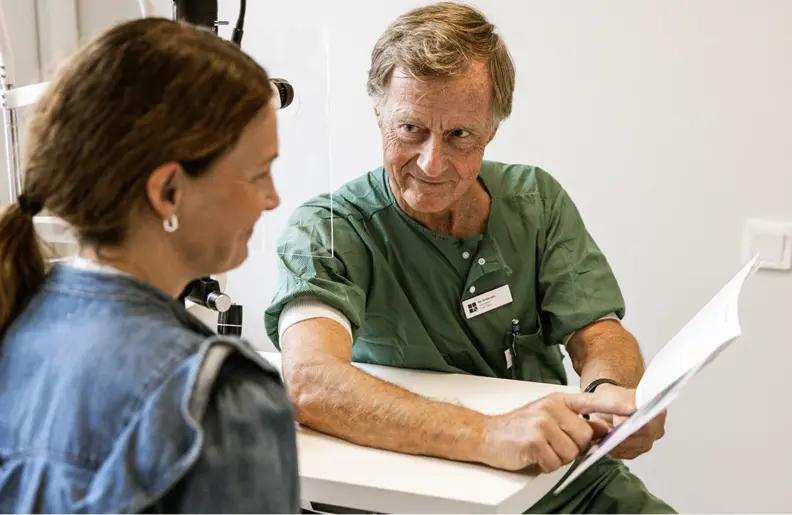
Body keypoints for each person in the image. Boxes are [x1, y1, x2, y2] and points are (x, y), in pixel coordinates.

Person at [265, 2, 672, 513]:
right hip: (411, 490)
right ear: (378, 115)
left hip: (550, 480)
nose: (432, 163)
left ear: (491, 131)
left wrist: (609, 395)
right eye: (410, 129)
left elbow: (599, 332)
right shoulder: (329, 230)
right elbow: (309, 381)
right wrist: (488, 435)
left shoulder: (534, 202)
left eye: (460, 135)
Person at [0, 18, 298, 513]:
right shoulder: (219, 402)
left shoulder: (17, 321)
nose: (273, 198)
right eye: (258, 173)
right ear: (168, 192)